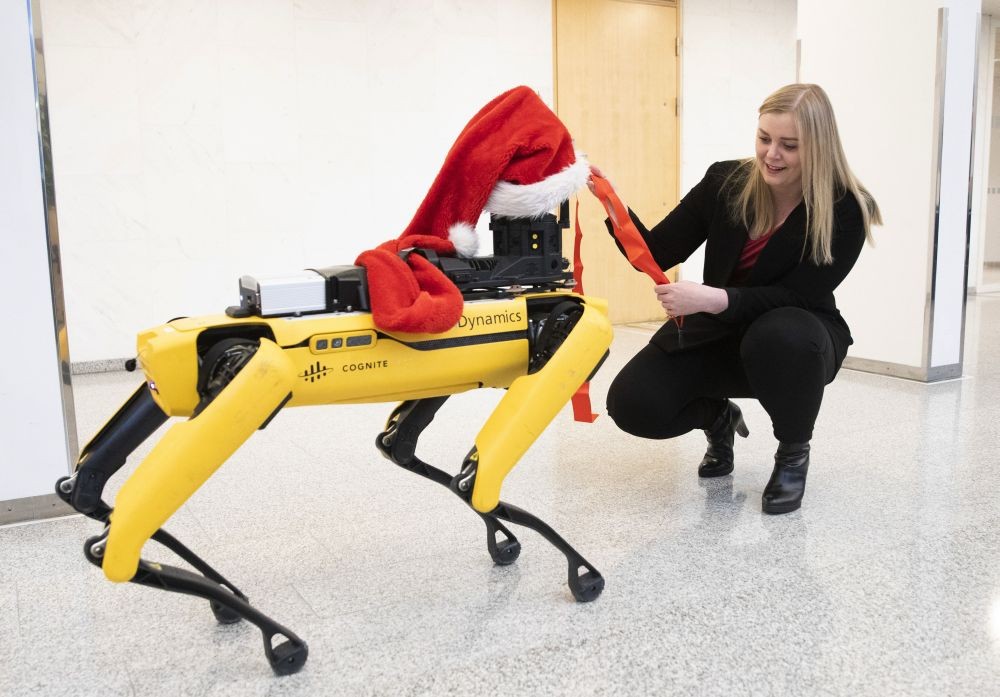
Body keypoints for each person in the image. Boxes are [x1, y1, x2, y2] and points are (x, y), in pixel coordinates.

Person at [593, 83, 881, 514]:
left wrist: (712, 299)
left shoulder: (846, 208)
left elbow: (796, 296)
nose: (771, 155)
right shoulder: (725, 181)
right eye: (764, 138)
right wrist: (612, 204)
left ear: (819, 148)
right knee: (633, 404)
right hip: (720, 332)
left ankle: (792, 455)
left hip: (798, 338)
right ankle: (718, 418)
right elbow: (656, 253)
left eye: (789, 146)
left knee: (780, 332)